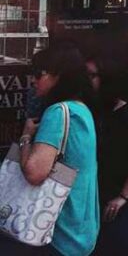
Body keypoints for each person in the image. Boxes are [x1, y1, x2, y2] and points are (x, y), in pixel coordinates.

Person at [0, 44, 100, 256]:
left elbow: (34, 172)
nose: (34, 80)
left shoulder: (57, 113)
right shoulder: (81, 110)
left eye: (39, 73)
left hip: (53, 232)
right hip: (80, 229)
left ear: (60, 76)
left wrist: (26, 135)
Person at [88, 58, 128, 256]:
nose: (86, 80)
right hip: (91, 199)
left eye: (92, 75)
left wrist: (124, 196)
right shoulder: (87, 110)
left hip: (120, 200)